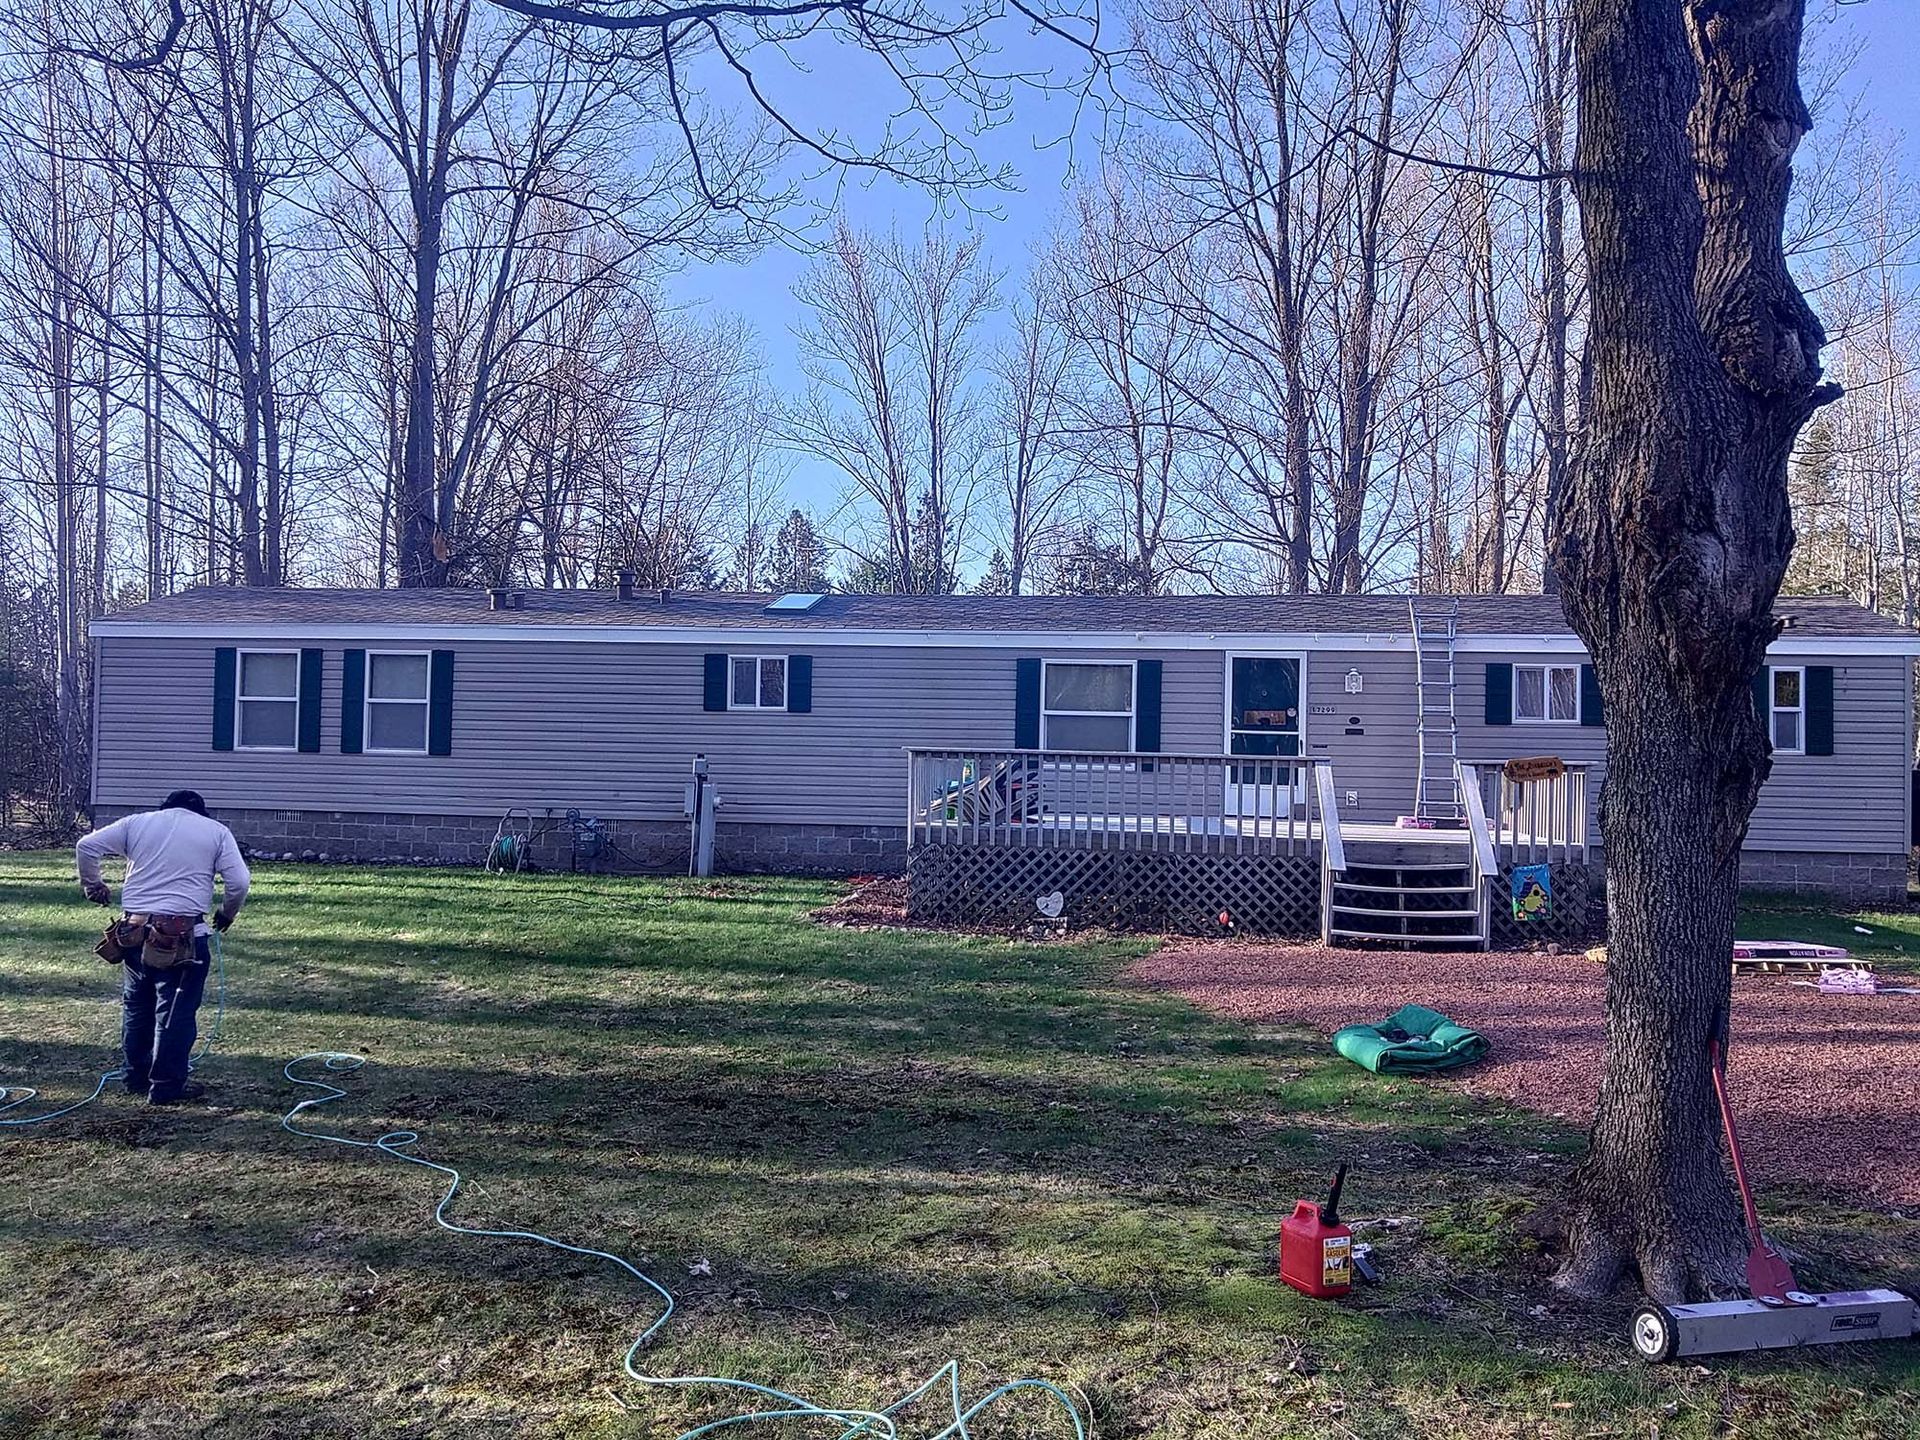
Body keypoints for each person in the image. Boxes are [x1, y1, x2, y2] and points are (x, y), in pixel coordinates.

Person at [75, 791, 250, 1106]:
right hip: (181, 937)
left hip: (133, 931)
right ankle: (166, 1086)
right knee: (174, 1012)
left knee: (137, 1007)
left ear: (165, 807)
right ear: (201, 811)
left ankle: (135, 1078)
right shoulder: (216, 832)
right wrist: (227, 913)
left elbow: (86, 846)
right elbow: (238, 882)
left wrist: (93, 885)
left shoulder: (136, 823)